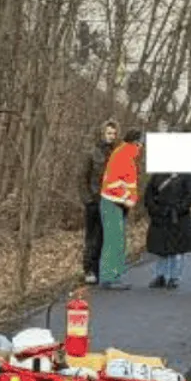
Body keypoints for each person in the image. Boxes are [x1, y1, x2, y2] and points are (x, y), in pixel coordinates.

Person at [97, 128, 143, 289]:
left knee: (117, 240)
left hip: (117, 203)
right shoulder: (123, 156)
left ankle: (114, 275)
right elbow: (112, 184)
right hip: (113, 203)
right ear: (136, 143)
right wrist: (127, 198)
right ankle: (109, 277)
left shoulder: (124, 155)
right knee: (113, 241)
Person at [80, 120, 120, 285]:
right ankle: (89, 270)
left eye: (114, 133)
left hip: (111, 201)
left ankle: (103, 270)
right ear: (102, 133)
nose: (111, 136)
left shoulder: (117, 153)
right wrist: (88, 199)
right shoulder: (91, 153)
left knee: (107, 237)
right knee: (92, 237)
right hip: (95, 201)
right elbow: (82, 177)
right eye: (109, 133)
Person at [143, 171, 191, 289]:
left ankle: (174, 277)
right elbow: (149, 194)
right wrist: (155, 209)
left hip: (178, 217)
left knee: (177, 249)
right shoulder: (158, 174)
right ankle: (161, 276)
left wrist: (178, 209)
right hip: (161, 215)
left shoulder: (186, 174)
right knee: (161, 248)